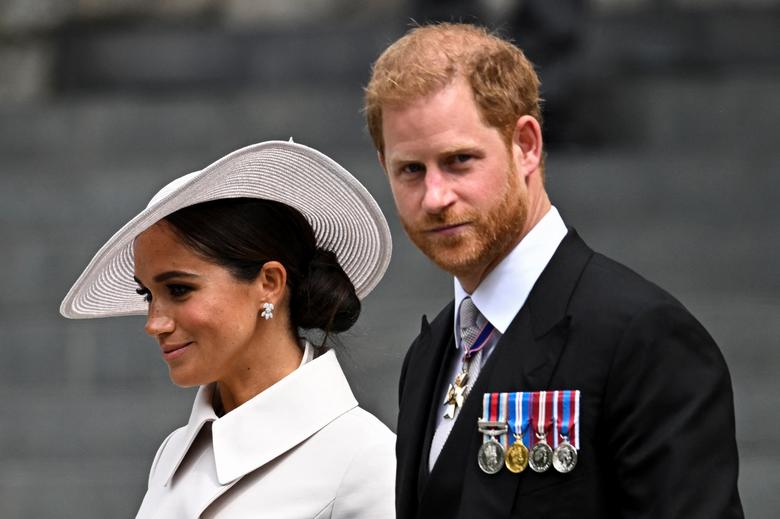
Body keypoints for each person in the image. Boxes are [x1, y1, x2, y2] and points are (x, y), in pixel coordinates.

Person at [364, 23, 743, 518]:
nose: (435, 197)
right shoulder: (430, 353)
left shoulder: (644, 338)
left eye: (460, 161)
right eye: (411, 169)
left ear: (526, 145)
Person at [60, 141, 396, 518]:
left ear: (269, 282)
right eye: (147, 294)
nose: (154, 323)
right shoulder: (172, 455)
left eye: (179, 289)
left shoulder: (365, 460)